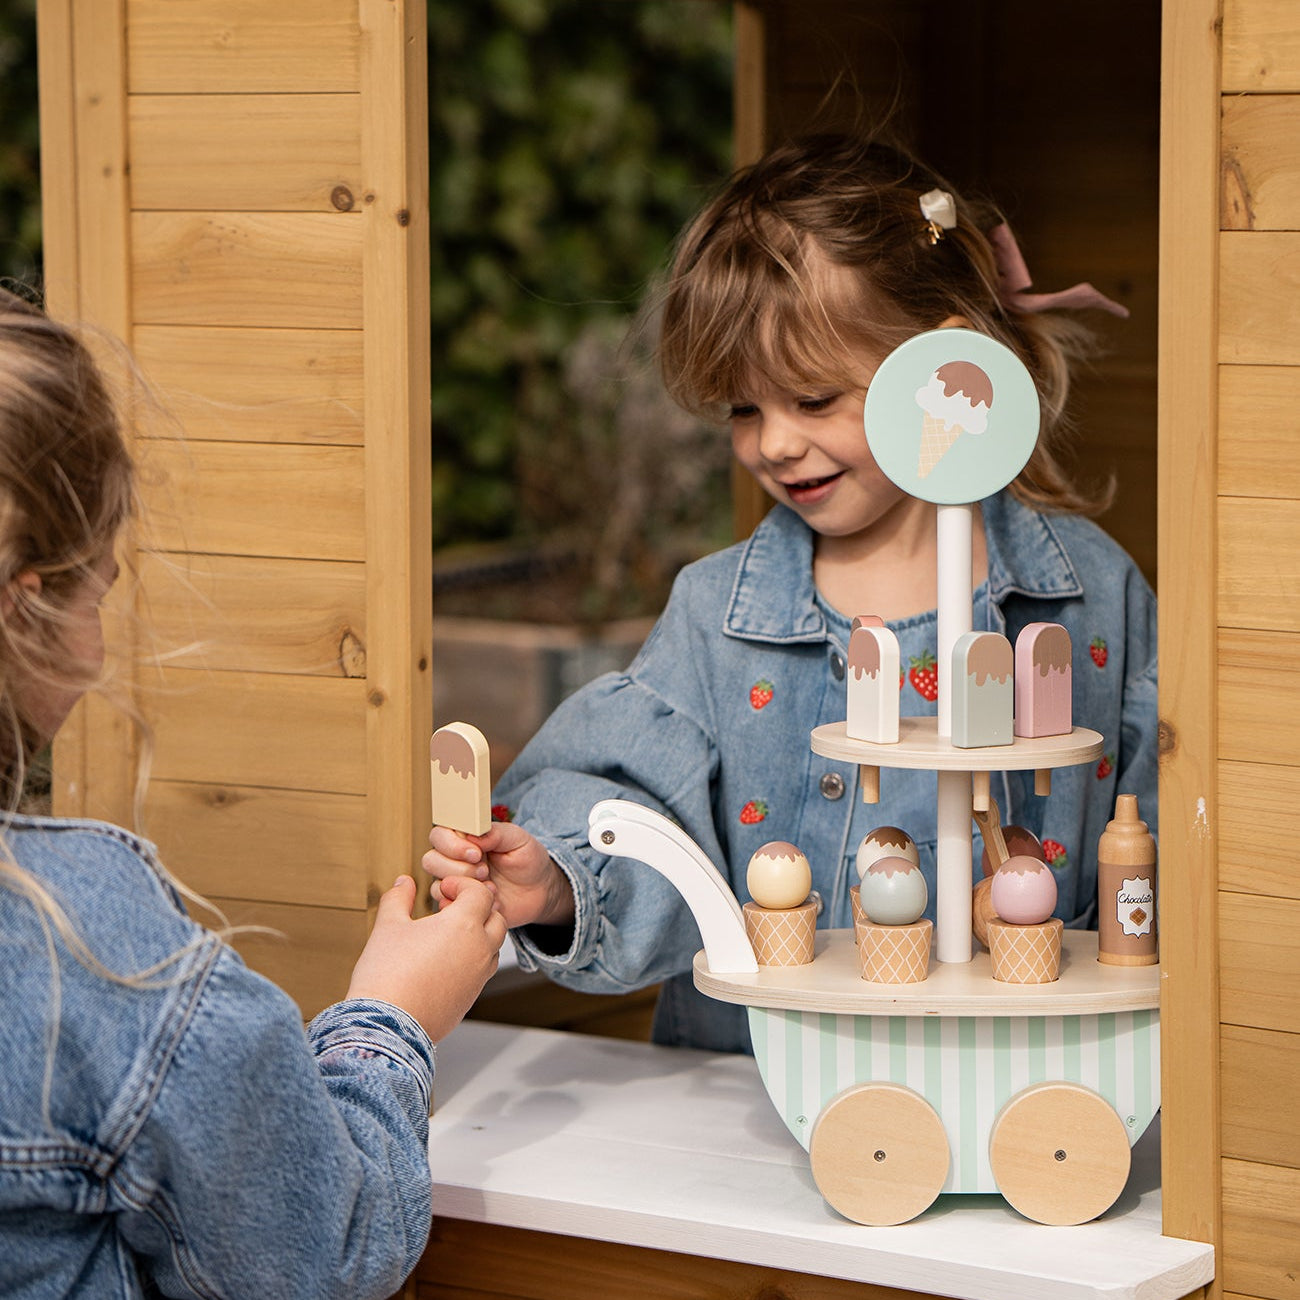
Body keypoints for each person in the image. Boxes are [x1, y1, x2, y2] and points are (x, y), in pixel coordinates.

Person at [424, 131, 1158, 1055]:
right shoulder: (717, 616)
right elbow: (628, 805)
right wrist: (560, 879)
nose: (771, 443)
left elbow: (1169, 827)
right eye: (743, 408)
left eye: (812, 399)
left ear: (944, 371)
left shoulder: (1085, 595)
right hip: (757, 1092)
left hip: (1025, 1082)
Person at [0, 288, 508, 1298]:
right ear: (35, 605)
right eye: (100, 585)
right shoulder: (87, 946)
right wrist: (389, 1018)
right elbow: (321, 1249)